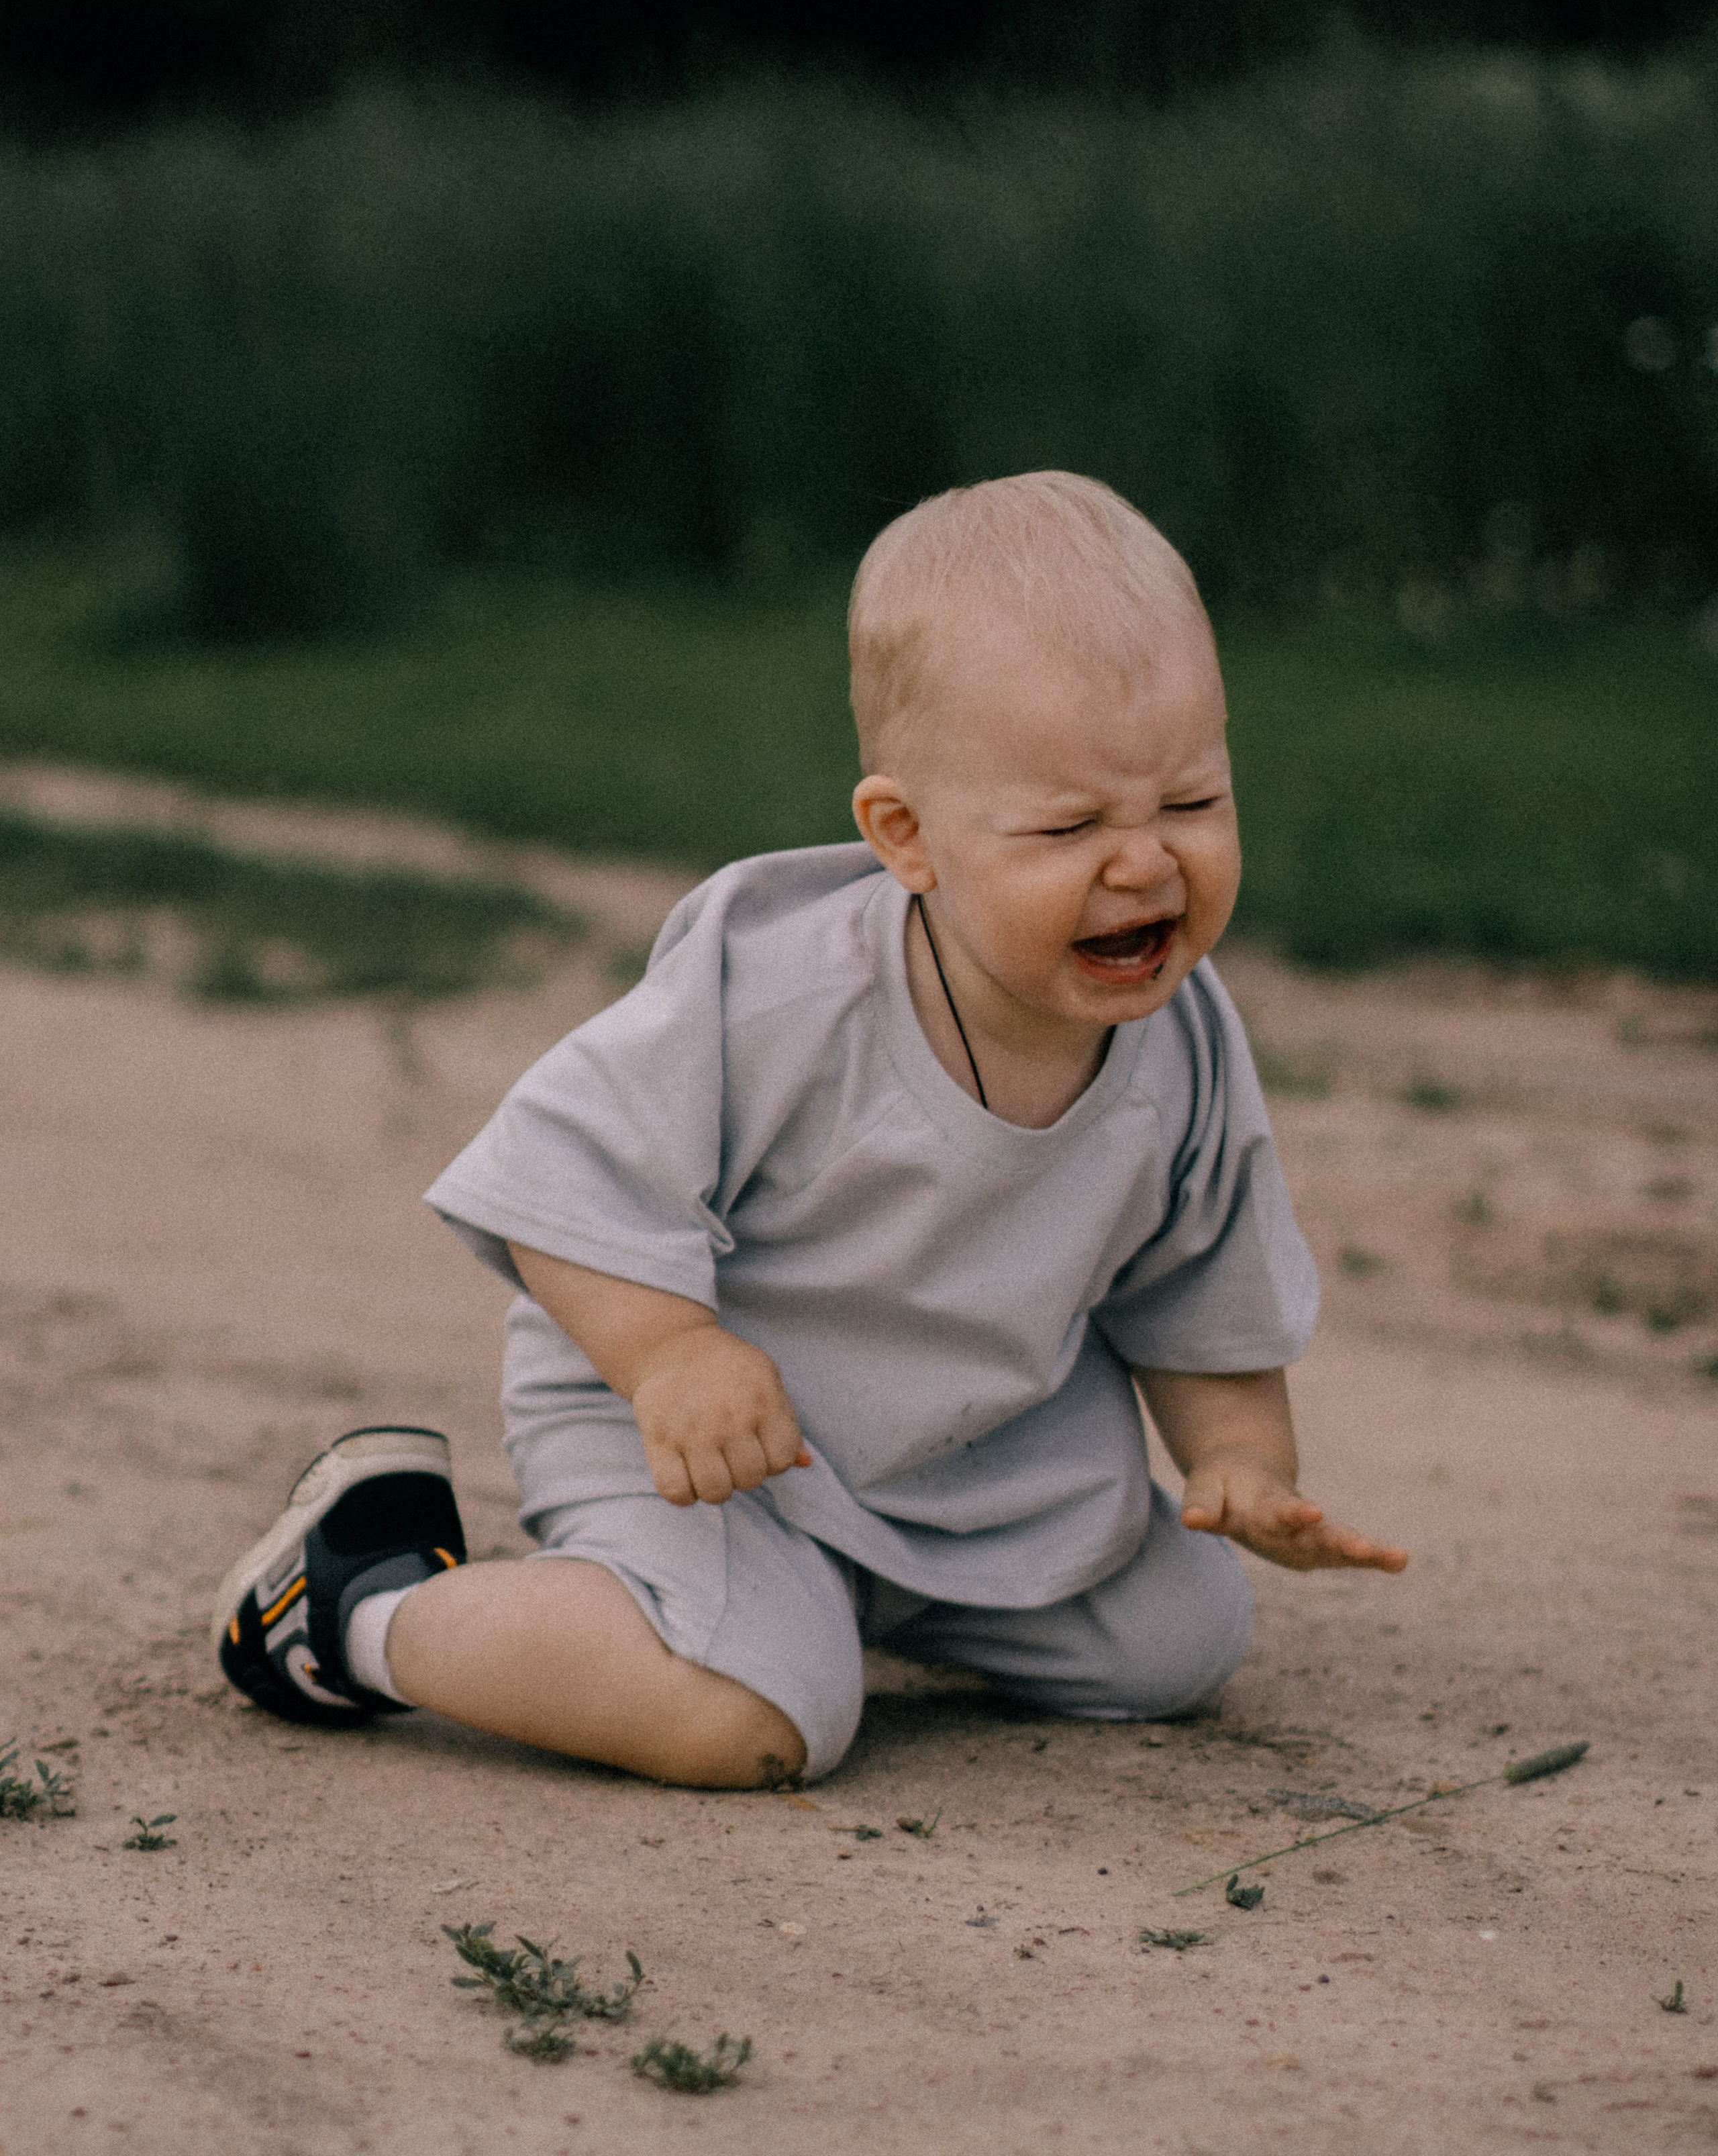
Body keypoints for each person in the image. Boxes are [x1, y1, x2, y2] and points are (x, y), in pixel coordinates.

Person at [212, 471, 1405, 1787]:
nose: (1143, 863)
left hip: (967, 1467)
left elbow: (1197, 1294)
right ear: (907, 836)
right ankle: (355, 1606)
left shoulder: (1181, 1041)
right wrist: (670, 1353)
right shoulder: (782, 991)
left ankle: (842, 1600)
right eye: (1068, 825)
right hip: (695, 1434)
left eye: (1189, 803)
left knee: (1178, 1642)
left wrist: (1239, 1462)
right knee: (753, 1721)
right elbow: (555, 1169)